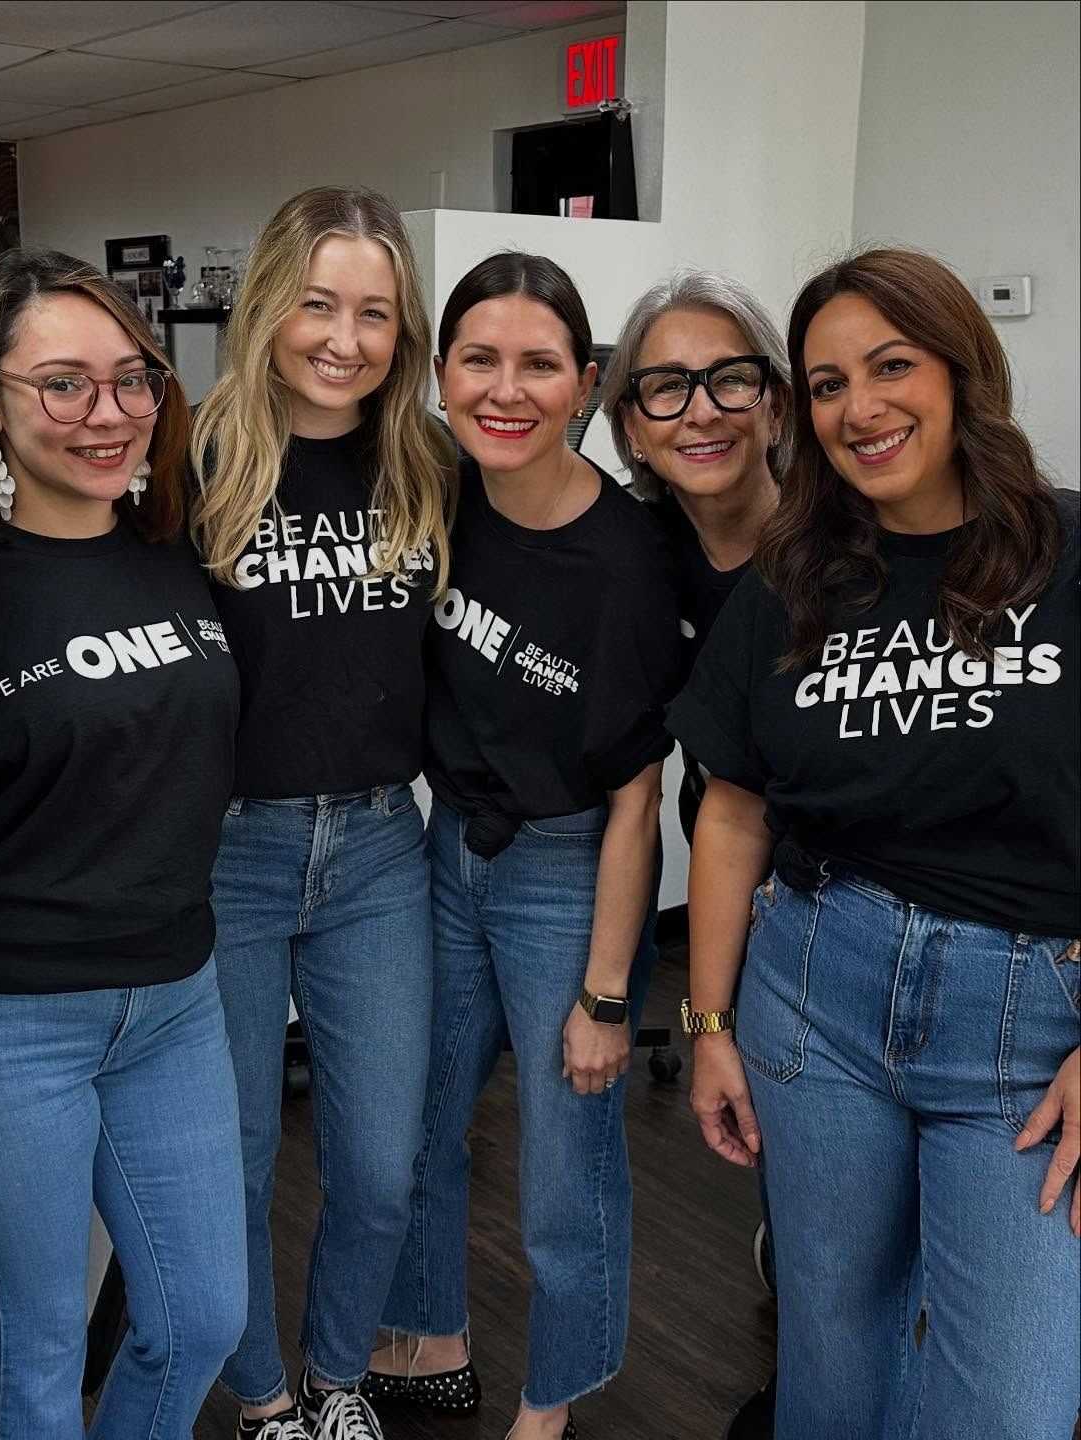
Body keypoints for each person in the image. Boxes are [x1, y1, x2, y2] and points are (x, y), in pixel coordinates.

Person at [669, 247, 1080, 1440]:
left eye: (892, 365)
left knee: (1008, 1405)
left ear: (961, 369)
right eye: (831, 383)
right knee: (833, 1359)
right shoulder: (793, 577)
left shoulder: (1067, 554)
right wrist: (706, 1025)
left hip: (1026, 1024)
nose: (864, 407)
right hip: (816, 996)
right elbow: (734, 808)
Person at [0, 248, 246, 1440]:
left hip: (177, 998)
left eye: (131, 379)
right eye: (63, 384)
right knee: (38, 1338)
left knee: (201, 1318)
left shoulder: (178, 550)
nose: (109, 414)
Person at [368, 253, 683, 1440]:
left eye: (540, 364)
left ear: (587, 382)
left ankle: (552, 1402)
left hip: (568, 869)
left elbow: (640, 803)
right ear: (441, 379)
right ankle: (432, 1335)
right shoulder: (441, 496)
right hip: (445, 849)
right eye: (479, 360)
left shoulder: (628, 564)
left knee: (564, 1172)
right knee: (416, 1120)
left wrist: (608, 997)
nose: (507, 389)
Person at [189, 187, 453, 1440]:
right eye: (318, 304)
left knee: (382, 1158)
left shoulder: (426, 463)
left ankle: (341, 1373)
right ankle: (263, 1396)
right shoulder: (192, 459)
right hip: (225, 851)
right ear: (268, 305)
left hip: (378, 849)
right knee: (234, 1160)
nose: (345, 338)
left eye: (376, 313)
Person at [599, 270, 793, 1439]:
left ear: (775, 403)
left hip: (872, 882)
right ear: (628, 421)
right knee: (799, 1155)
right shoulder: (640, 558)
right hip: (738, 870)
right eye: (664, 388)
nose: (701, 410)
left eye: (730, 379)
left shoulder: (849, 543)